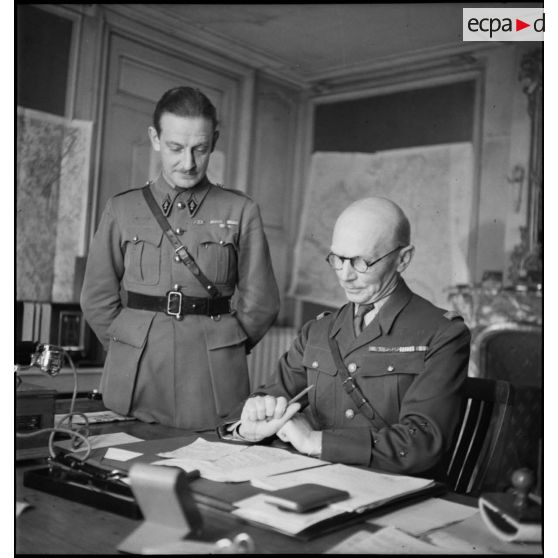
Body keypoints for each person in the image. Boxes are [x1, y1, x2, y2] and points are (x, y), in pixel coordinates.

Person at [220, 197, 470, 480]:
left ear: (403, 259)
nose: (345, 276)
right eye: (337, 259)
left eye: (361, 261)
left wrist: (316, 442)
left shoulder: (442, 334)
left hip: (392, 490)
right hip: (314, 481)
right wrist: (249, 423)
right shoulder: (319, 331)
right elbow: (273, 394)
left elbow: (422, 442)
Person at [81, 86, 280, 430]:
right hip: (136, 374)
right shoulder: (123, 208)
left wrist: (225, 348)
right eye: (175, 148)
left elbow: (261, 301)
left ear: (214, 142)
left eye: (200, 149)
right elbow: (96, 297)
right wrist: (128, 344)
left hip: (212, 380)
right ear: (155, 138)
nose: (188, 163)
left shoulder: (240, 210)